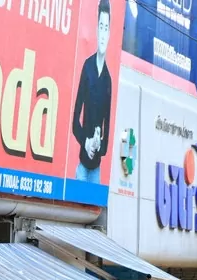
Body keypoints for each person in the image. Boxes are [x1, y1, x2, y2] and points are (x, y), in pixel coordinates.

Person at [71, 0, 113, 184]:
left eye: (106, 28)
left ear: (110, 33)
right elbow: (75, 122)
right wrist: (86, 142)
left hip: (96, 171)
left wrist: (98, 144)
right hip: (82, 168)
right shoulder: (87, 67)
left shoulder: (109, 80)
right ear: (96, 30)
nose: (103, 34)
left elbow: (108, 130)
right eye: (101, 26)